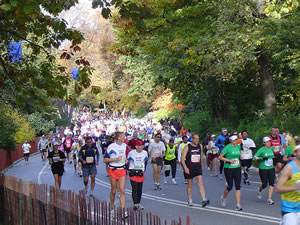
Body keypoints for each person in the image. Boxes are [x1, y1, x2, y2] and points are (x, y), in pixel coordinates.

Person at [181, 133, 210, 207]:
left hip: (197, 167)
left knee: (200, 182)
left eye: (198, 139)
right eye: (196, 139)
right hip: (189, 167)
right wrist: (185, 168)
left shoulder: (200, 146)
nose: (197, 140)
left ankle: (204, 199)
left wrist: (202, 166)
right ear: (192, 139)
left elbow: (201, 156)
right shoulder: (187, 147)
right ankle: (190, 200)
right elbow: (182, 159)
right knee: (190, 183)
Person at [104, 132, 128, 218]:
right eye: (123, 136)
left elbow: (123, 155)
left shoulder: (124, 145)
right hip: (113, 170)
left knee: (122, 190)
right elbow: (105, 160)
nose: (124, 138)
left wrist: (125, 160)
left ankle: (123, 210)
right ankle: (112, 207)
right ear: (118, 138)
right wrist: (115, 159)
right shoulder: (111, 146)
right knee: (113, 191)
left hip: (122, 169)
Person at [275, 144, 300, 225]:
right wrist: (296, 187)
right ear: (295, 153)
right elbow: (278, 188)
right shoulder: (289, 168)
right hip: (290, 209)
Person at [219, 135, 242, 211]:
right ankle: (224, 197)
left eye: (236, 139)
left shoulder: (238, 146)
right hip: (229, 168)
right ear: (231, 141)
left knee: (238, 185)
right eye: (234, 140)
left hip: (237, 168)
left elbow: (239, 155)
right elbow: (220, 157)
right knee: (230, 186)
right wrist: (229, 160)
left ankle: (238, 204)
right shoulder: (227, 147)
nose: (236, 141)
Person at [253, 137, 276, 205]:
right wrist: (262, 158)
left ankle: (269, 199)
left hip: (271, 168)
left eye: (269, 142)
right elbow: (254, 157)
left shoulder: (271, 149)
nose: (269, 143)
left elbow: (272, 156)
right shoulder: (261, 150)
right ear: (264, 143)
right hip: (263, 168)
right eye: (267, 142)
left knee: (271, 183)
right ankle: (259, 189)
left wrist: (274, 158)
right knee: (265, 184)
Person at [127, 140, 148, 211]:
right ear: (136, 146)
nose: (141, 147)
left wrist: (144, 170)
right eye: (139, 145)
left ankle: (138, 203)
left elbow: (145, 162)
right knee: (134, 189)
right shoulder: (131, 153)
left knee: (139, 189)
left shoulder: (145, 153)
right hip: (133, 172)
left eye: (142, 145)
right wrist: (128, 170)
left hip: (140, 173)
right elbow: (127, 162)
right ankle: (135, 204)